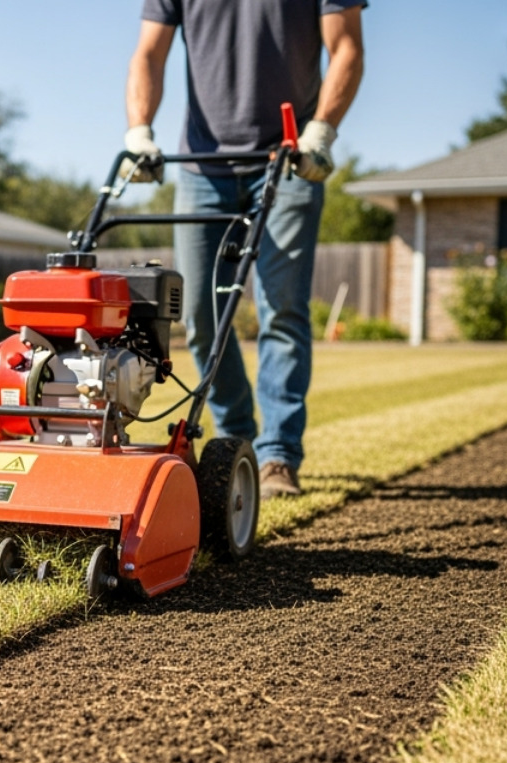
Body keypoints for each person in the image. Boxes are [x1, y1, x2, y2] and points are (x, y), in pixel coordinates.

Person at [123, 0, 366, 497]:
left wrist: (322, 128)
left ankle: (277, 455)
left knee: (282, 308)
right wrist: (139, 130)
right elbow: (149, 52)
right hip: (201, 164)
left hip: (290, 158)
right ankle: (236, 443)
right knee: (198, 311)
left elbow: (346, 47)